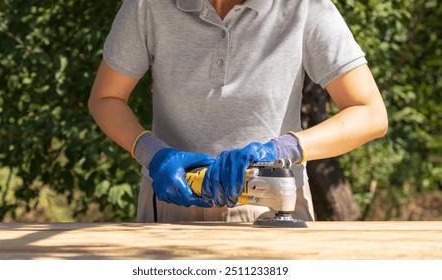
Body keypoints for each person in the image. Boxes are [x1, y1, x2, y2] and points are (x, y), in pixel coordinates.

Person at [88, 0, 388, 223]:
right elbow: (106, 98)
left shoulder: (304, 6)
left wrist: (284, 149)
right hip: (170, 201)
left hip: (274, 206)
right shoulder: (148, 5)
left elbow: (370, 113)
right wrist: (153, 154)